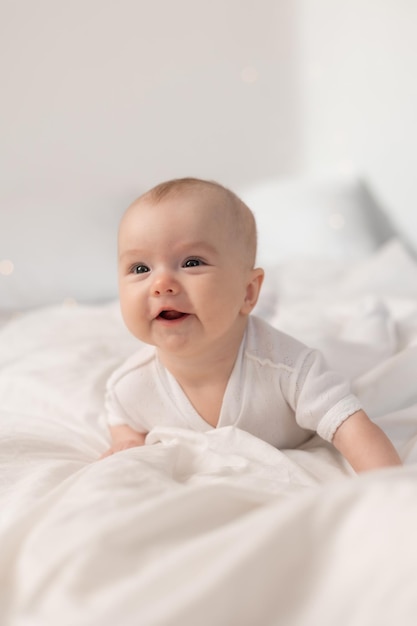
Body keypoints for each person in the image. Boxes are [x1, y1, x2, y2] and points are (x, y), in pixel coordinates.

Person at [101, 177, 401, 472]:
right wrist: (127, 439)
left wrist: (388, 487)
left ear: (248, 292)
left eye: (192, 263)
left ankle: (367, 319)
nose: (161, 284)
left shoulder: (292, 369)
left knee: (363, 348)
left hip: (323, 351)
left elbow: (349, 424)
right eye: (140, 268)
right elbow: (122, 416)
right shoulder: (131, 384)